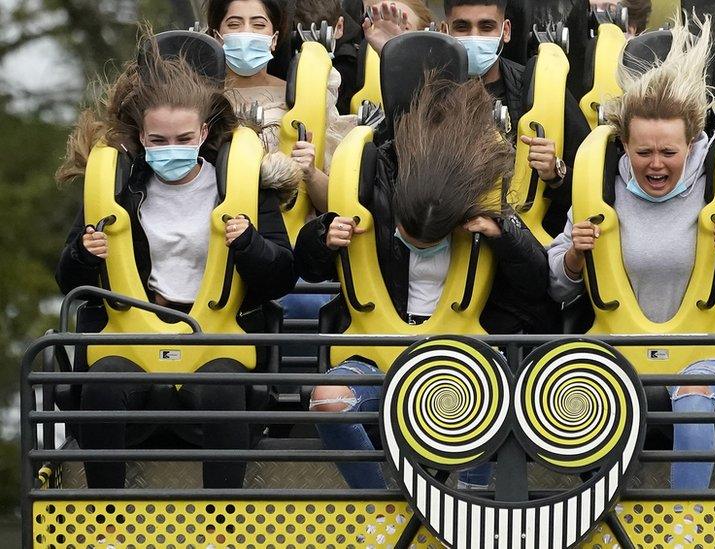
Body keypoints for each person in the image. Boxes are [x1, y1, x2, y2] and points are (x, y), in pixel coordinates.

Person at [547, 12, 715, 490]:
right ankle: (599, 522)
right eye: (643, 152)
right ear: (625, 146)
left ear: (691, 143)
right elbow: (554, 284)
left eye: (669, 153)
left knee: (693, 396)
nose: (656, 164)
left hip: (704, 353)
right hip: (614, 349)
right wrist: (574, 257)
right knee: (582, 393)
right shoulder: (600, 189)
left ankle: (682, 528)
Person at [54, 47, 297, 489]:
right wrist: (84, 255)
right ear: (142, 138)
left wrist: (248, 244)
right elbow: (68, 280)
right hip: (135, 332)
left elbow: (281, 276)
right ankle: (105, 518)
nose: (172, 150)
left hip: (217, 334)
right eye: (159, 141)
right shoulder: (117, 189)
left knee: (224, 389)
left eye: (184, 139)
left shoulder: (240, 187)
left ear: (203, 132)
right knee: (102, 387)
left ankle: (221, 523)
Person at [295, 78, 551, 489]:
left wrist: (506, 236)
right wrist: (323, 237)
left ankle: (471, 504)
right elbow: (307, 269)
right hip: (377, 349)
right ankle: (379, 504)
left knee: (491, 396)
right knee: (328, 400)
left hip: (466, 359)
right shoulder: (374, 175)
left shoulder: (487, 192)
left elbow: (538, 285)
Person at [363, 0, 591, 238]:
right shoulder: (426, 90)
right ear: (444, 30)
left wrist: (555, 174)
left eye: (486, 27)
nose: (474, 36)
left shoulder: (538, 89)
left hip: (519, 244)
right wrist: (400, 60)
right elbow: (390, 169)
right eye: (462, 27)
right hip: (445, 242)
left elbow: (593, 180)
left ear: (505, 31)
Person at [207, 0, 356, 213]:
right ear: (216, 36)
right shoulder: (200, 103)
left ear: (274, 39)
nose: (247, 33)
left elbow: (336, 207)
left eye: (258, 25)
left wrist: (311, 173)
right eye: (234, 24)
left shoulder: (306, 97)